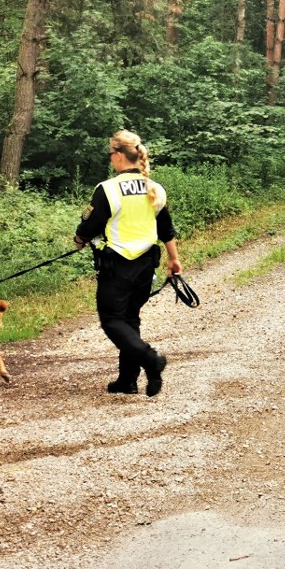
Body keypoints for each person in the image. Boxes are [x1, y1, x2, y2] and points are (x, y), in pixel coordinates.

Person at [74, 130, 182, 397]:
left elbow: (90, 224)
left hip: (118, 265)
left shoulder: (107, 189)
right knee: (129, 319)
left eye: (111, 154)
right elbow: (166, 229)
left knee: (112, 320)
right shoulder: (154, 188)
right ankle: (127, 380)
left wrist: (80, 239)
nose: (110, 159)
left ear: (119, 155)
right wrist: (174, 259)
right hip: (146, 265)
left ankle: (151, 359)